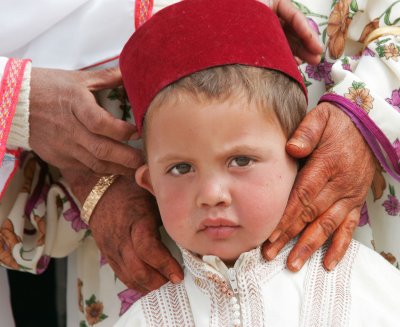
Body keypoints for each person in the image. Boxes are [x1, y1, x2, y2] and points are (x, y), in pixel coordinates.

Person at [0, 0, 399, 326]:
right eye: (182, 168)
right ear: (149, 181)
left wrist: (366, 106)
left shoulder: (377, 295)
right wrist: (17, 102)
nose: (211, 195)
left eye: (241, 160)